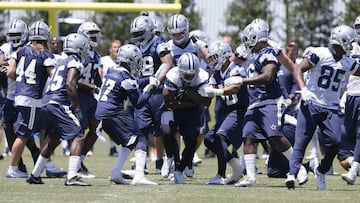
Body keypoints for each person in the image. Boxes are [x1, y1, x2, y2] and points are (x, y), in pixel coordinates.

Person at [285, 25, 360, 190]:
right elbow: (299, 69)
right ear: (340, 41)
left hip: (331, 108)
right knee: (301, 141)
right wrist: (303, 89)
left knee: (335, 141)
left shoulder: (348, 62)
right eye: (348, 42)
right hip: (310, 103)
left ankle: (321, 170)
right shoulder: (319, 53)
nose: (350, 45)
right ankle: (291, 175)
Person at [225, 22, 295, 187]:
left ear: (257, 37)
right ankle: (251, 178)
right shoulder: (254, 56)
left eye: (249, 38)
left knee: (274, 137)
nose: (247, 42)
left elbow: (268, 77)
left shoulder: (267, 54)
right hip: (255, 103)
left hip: (270, 102)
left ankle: (297, 167)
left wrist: (241, 80)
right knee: (248, 137)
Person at [26, 32, 91, 186]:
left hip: (47, 102)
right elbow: (70, 85)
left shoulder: (60, 60)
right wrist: (76, 107)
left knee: (54, 140)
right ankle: (72, 176)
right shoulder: (74, 61)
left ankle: (35, 175)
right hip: (59, 103)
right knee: (79, 135)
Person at [95, 44, 157, 185]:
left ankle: (116, 173)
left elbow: (132, 82)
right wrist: (150, 88)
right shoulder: (125, 77)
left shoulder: (111, 71)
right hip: (113, 112)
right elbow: (139, 103)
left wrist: (148, 79)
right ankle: (139, 176)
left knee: (128, 141)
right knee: (141, 137)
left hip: (102, 112)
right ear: (131, 60)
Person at [5, 21, 55, 178]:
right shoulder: (46, 54)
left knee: (40, 131)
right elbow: (53, 75)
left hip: (19, 96)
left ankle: (45, 165)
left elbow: (10, 71)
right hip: (32, 98)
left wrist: (21, 82)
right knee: (24, 135)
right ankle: (13, 169)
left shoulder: (20, 51)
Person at [161, 14, 208, 179]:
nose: (177, 37)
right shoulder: (166, 46)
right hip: (174, 90)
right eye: (174, 34)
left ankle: (186, 162)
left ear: (187, 31)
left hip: (193, 93)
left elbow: (210, 60)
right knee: (168, 129)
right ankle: (171, 159)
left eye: (180, 33)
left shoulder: (197, 46)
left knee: (191, 135)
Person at [130, 15, 173, 174]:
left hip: (158, 92)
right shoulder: (137, 47)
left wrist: (156, 80)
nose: (137, 36)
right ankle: (140, 168)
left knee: (165, 130)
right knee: (141, 131)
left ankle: (170, 162)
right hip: (142, 93)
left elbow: (168, 64)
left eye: (140, 32)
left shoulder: (159, 44)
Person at [201, 40, 246, 185]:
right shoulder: (216, 74)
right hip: (226, 113)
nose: (213, 61)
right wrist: (206, 90)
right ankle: (237, 168)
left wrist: (216, 91)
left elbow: (234, 88)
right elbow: (211, 86)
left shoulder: (236, 69)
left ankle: (221, 174)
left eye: (215, 57)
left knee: (220, 136)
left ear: (224, 55)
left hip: (239, 110)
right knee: (209, 139)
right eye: (211, 58)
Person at [162, 52, 211, 184]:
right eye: (186, 74)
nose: (189, 77)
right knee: (167, 130)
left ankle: (180, 169)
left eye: (192, 74)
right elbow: (168, 101)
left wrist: (189, 94)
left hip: (192, 110)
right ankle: (170, 156)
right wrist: (193, 100)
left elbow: (207, 102)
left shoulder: (202, 76)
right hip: (174, 108)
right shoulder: (173, 76)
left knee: (191, 141)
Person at [76, 21, 103, 178]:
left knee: (96, 128)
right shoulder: (79, 53)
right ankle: (75, 166)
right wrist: (92, 87)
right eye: (92, 34)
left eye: (96, 34)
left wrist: (102, 87)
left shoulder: (96, 54)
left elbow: (96, 77)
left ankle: (80, 160)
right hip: (78, 95)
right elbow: (74, 80)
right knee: (78, 132)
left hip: (89, 97)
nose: (95, 37)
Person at [341, 15, 360, 185]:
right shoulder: (350, 47)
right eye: (358, 27)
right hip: (350, 95)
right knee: (347, 133)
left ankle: (353, 172)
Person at [100, 39, 121, 157]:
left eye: (118, 47)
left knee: (112, 122)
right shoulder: (104, 60)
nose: (117, 49)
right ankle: (90, 148)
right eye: (114, 47)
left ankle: (113, 147)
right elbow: (99, 73)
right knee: (97, 121)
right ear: (110, 49)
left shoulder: (122, 61)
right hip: (103, 94)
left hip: (116, 95)